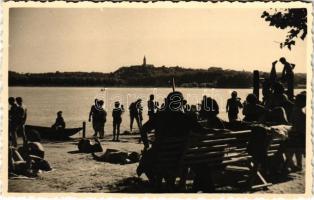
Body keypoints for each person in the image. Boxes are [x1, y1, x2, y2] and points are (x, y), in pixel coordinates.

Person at [138, 91, 214, 192]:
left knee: (145, 161)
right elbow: (202, 131)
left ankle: (157, 183)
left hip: (161, 157)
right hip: (181, 158)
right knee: (186, 155)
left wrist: (147, 145)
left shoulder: (159, 116)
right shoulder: (187, 118)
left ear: (167, 102)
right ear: (182, 103)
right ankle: (176, 184)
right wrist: (216, 130)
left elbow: (143, 129)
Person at [285, 92, 306, 172]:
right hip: (301, 136)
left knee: (287, 149)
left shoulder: (296, 111)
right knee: (298, 150)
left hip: (298, 136)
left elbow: (293, 124)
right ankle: (298, 165)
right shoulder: (302, 112)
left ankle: (292, 165)